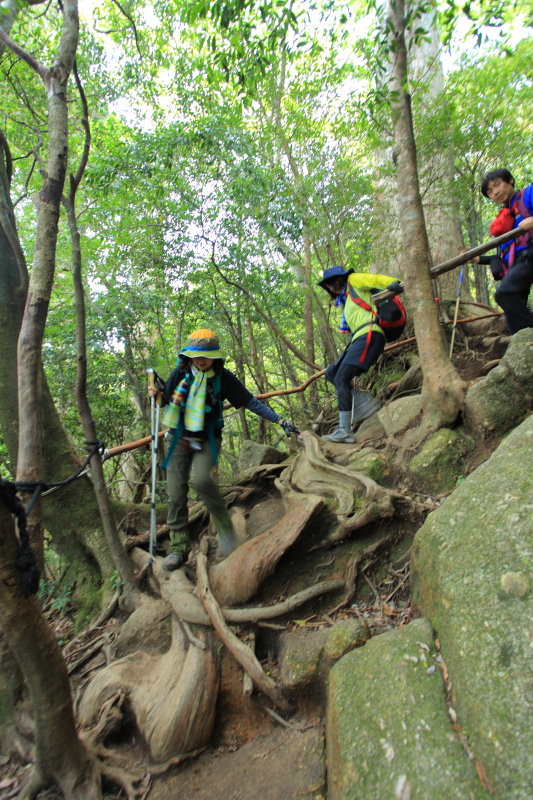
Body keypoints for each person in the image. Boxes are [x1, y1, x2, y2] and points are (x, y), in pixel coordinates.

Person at [148, 329, 300, 570]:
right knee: (176, 492)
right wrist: (155, 395)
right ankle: (179, 548)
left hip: (207, 438)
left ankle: (226, 531)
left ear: (215, 356)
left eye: (206, 355)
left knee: (202, 482)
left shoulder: (223, 377)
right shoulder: (181, 371)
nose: (201, 359)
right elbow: (167, 399)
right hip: (177, 437)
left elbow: (250, 402)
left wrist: (279, 420)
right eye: (197, 354)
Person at [317, 266, 402, 443]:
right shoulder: (346, 300)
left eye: (332, 283)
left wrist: (392, 283)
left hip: (369, 334)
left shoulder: (354, 280)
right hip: (358, 339)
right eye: (328, 286)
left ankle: (345, 430)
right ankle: (365, 404)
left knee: (341, 377)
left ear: (340, 279)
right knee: (332, 372)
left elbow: (375, 279)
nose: (331, 288)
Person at [479, 169, 533, 333]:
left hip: (529, 256)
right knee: (513, 314)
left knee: (505, 294)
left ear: (510, 180)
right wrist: (479, 260)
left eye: (497, 185)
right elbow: (505, 253)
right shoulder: (505, 216)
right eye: (490, 191)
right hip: (517, 264)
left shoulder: (528, 194)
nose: (495, 192)